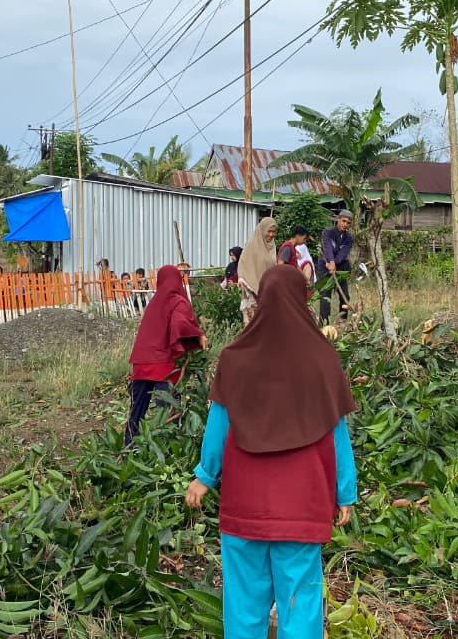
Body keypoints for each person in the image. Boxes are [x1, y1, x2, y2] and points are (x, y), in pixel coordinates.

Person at [185, 265, 357, 639]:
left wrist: (204, 477)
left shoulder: (235, 358)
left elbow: (218, 426)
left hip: (245, 505)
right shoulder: (323, 359)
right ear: (303, 300)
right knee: (300, 601)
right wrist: (345, 492)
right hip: (302, 505)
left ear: (261, 300)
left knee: (244, 601)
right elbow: (337, 434)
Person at [125, 265, 207, 445]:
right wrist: (198, 335)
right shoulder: (177, 301)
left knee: (137, 410)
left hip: (141, 363)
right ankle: (168, 449)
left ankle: (129, 447)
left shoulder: (154, 302)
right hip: (164, 365)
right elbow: (179, 324)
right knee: (168, 412)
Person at [237, 217, 277, 325]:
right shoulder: (251, 246)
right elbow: (243, 265)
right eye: (269, 231)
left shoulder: (272, 246)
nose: (271, 234)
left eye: (274, 231)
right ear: (262, 230)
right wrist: (243, 280)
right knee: (255, 325)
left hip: (269, 291)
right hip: (254, 292)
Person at [318, 210, 354, 324]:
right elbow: (327, 248)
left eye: (348, 223)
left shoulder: (349, 239)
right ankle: (324, 322)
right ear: (338, 219)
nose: (345, 224)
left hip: (340, 269)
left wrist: (334, 263)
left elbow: (343, 254)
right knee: (325, 296)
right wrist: (330, 262)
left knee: (345, 296)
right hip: (325, 268)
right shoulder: (327, 233)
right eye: (343, 221)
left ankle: (342, 322)